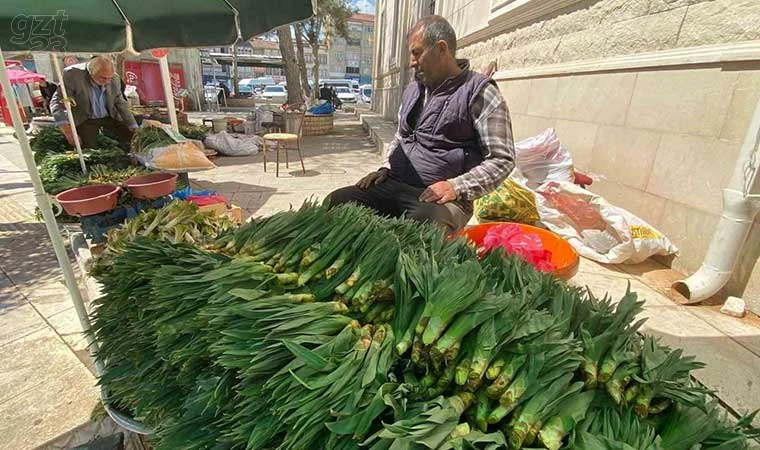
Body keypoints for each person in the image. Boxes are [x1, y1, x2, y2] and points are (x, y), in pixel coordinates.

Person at [327, 16, 515, 234]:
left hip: (442, 200)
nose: (411, 62)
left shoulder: (479, 92)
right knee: (338, 201)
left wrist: (456, 187)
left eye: (417, 53)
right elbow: (401, 137)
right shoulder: (413, 90)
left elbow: (503, 159)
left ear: (441, 49)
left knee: (421, 229)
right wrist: (386, 169)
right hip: (395, 184)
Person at [50, 56, 137, 150]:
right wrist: (67, 131)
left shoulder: (114, 79)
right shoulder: (72, 75)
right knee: (90, 148)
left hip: (109, 117)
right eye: (103, 78)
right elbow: (58, 102)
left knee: (130, 139)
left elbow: (120, 103)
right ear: (91, 73)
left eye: (109, 78)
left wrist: (133, 125)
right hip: (85, 119)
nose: (107, 82)